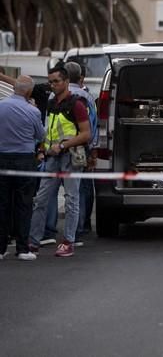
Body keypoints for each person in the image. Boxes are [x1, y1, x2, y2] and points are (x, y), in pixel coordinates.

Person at [28, 66, 91, 257]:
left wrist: (63, 146)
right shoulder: (51, 103)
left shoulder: (77, 104)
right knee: (41, 199)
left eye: (56, 81)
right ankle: (33, 241)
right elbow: (49, 129)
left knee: (71, 199)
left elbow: (86, 134)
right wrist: (42, 148)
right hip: (52, 156)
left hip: (70, 156)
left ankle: (68, 241)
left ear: (65, 81)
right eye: (51, 82)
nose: (52, 85)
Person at [0, 76, 45, 261]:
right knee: (24, 204)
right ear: (28, 92)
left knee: (2, 204)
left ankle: (1, 248)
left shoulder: (1, 105)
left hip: (2, 157)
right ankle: (22, 247)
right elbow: (40, 134)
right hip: (25, 159)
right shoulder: (32, 111)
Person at [64, 62, 97, 246]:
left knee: (57, 190)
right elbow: (92, 124)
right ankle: (80, 228)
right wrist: (93, 151)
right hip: (80, 148)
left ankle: (51, 231)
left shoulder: (56, 96)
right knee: (81, 187)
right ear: (81, 77)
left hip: (58, 148)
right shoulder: (87, 97)